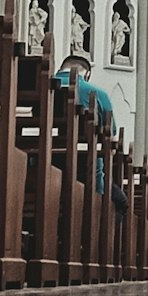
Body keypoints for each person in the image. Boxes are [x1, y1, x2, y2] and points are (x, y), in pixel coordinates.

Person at [55, 50, 121, 198]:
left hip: (44, 162)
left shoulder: (44, 84)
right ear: (87, 75)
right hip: (86, 168)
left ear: (60, 70)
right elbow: (111, 135)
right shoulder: (98, 93)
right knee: (122, 202)